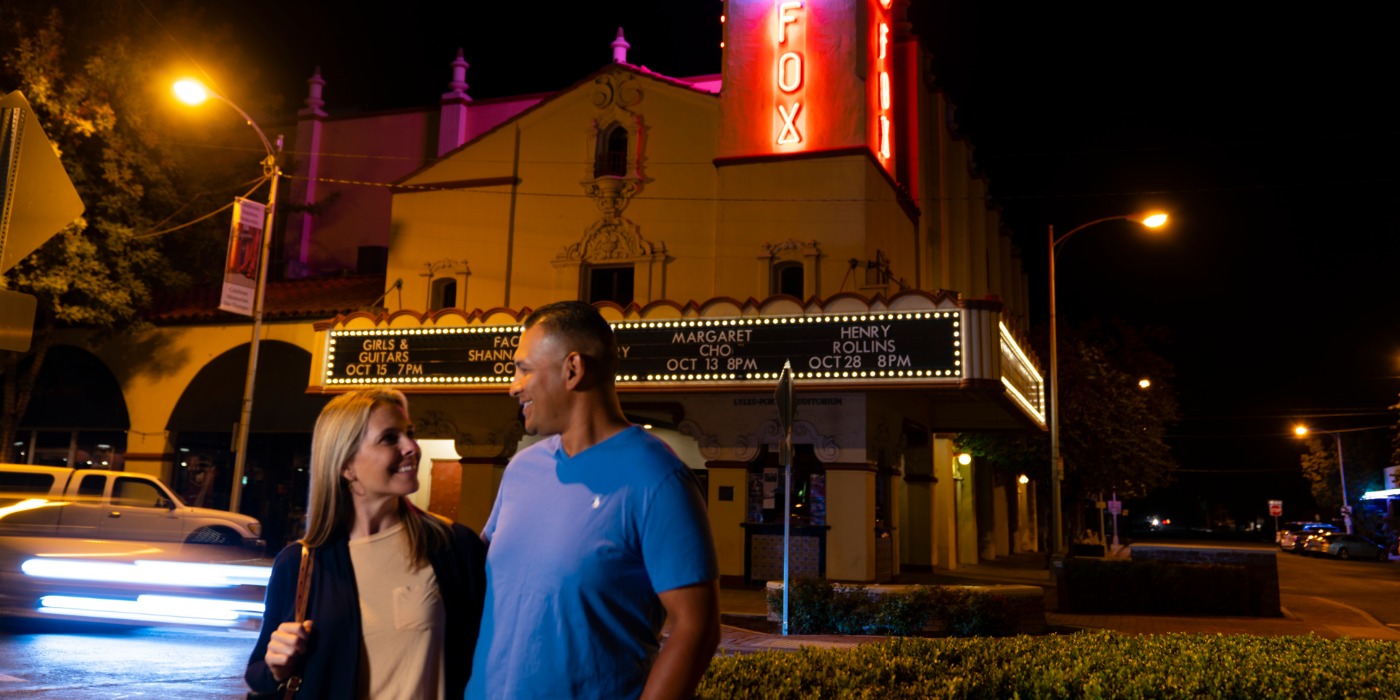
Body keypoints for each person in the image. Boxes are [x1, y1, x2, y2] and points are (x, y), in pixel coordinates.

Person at [466, 301, 720, 700]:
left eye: (524, 369)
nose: (512, 386)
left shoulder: (658, 478)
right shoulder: (520, 469)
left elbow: (697, 627)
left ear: (573, 369)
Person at [246, 388, 486, 699]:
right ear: (346, 466)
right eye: (389, 438)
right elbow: (259, 674)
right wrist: (276, 666)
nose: (411, 447)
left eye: (410, 434)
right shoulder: (299, 562)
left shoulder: (454, 547)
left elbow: (490, 657)